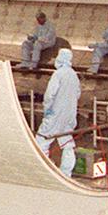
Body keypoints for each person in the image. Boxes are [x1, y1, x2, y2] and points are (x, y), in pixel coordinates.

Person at [35, 48, 80, 177]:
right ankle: (66, 172)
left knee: (41, 141)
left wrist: (47, 109)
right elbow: (77, 94)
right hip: (70, 115)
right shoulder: (73, 74)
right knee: (67, 143)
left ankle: (44, 169)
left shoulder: (58, 74)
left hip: (55, 114)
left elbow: (50, 94)